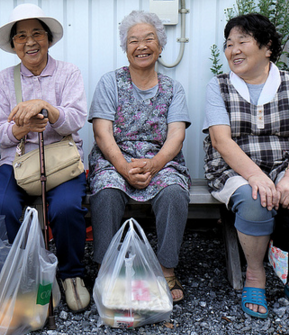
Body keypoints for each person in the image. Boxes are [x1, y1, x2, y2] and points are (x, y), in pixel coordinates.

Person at [203, 13, 289, 319]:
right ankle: (255, 275)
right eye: (229, 44)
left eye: (242, 42)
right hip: (232, 168)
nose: (233, 50)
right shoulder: (218, 86)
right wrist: (256, 176)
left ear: (267, 47)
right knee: (254, 199)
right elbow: (221, 141)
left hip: (283, 166)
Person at [0, 3, 89, 322]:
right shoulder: (3, 79)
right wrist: (22, 128)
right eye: (22, 36)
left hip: (62, 160)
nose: (30, 42)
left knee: (67, 208)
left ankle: (71, 274)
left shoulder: (69, 72)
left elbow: (77, 118)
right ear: (13, 44)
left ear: (49, 39)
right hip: (17, 161)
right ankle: (0, 284)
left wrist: (46, 109)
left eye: (37, 33)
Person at [88, 10, 191, 304]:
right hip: (115, 159)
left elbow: (176, 135)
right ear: (125, 47)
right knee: (105, 191)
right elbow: (102, 133)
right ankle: (107, 271)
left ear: (160, 45)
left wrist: (155, 164)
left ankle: (166, 269)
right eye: (133, 41)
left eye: (149, 39)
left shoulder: (173, 88)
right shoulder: (110, 82)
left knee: (173, 192)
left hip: (160, 161)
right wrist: (123, 167)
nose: (142, 46)